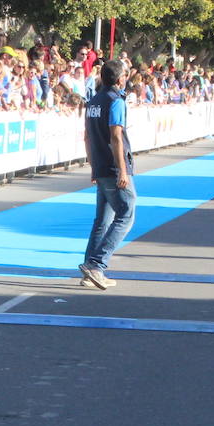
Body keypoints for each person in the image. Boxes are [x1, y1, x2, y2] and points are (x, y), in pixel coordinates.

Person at [79, 60, 135, 291]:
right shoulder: (116, 101)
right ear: (120, 78)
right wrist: (123, 169)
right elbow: (116, 137)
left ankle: (89, 268)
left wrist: (93, 165)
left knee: (102, 220)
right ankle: (97, 264)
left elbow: (87, 136)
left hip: (100, 165)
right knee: (126, 214)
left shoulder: (93, 101)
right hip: (113, 167)